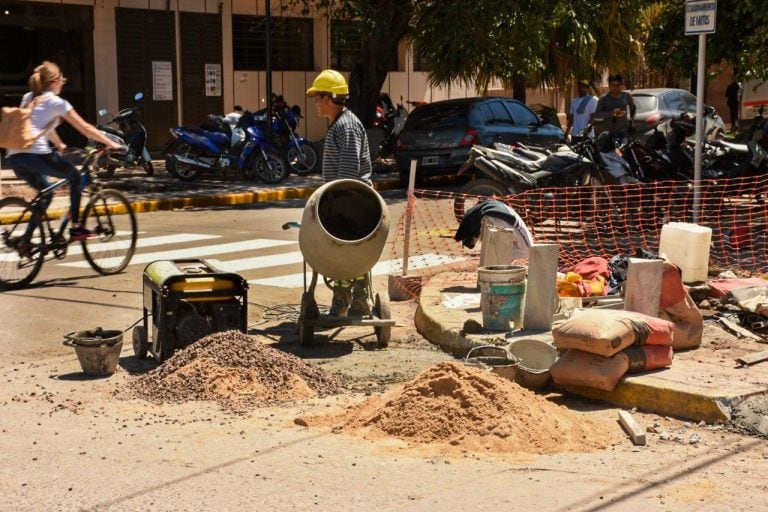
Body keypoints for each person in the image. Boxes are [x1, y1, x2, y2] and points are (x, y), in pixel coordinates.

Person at [5, 61, 123, 244]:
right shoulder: (57, 102)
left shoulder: (29, 97)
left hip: (14, 157)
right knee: (75, 177)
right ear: (54, 81)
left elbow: (33, 124)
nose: (63, 82)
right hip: (36, 155)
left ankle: (25, 241)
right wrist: (111, 143)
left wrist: (59, 143)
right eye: (62, 79)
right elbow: (84, 127)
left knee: (47, 194)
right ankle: (75, 228)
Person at [306, 69, 373, 317]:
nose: (315, 103)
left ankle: (346, 302)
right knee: (352, 254)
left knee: (346, 253)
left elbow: (347, 174)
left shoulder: (345, 127)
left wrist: (336, 205)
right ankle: (357, 301)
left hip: (350, 202)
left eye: (317, 97)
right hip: (346, 200)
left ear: (328, 98)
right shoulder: (342, 124)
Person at [593, 74, 636, 143]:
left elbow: (633, 107)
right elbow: (597, 114)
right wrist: (611, 113)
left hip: (623, 132)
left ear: (621, 85)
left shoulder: (626, 96)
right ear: (609, 86)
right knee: (611, 153)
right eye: (613, 85)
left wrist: (632, 120)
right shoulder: (604, 99)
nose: (615, 87)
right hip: (609, 133)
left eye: (618, 85)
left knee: (622, 153)